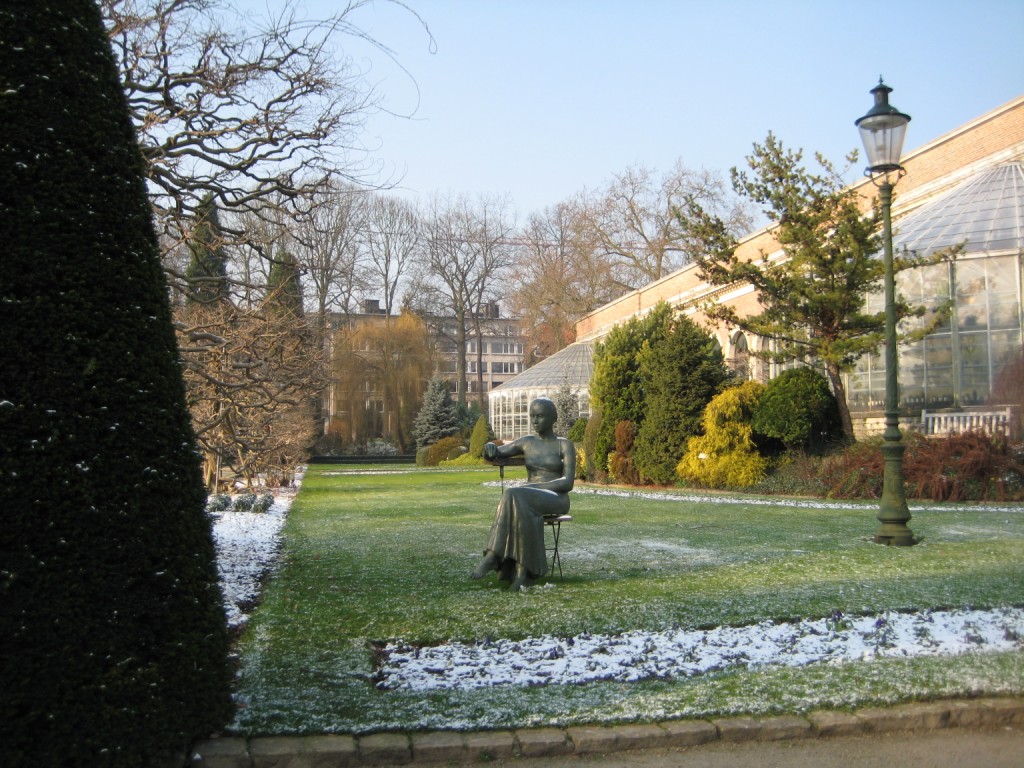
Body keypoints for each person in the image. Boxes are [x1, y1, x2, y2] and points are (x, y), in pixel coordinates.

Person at [472, 397, 576, 590]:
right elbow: (498, 452)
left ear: (553, 418)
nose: (535, 421)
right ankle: (519, 572)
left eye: (540, 416)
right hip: (526, 499)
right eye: (532, 416)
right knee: (513, 495)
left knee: (516, 494)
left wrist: (534, 488)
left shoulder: (564, 445)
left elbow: (567, 482)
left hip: (556, 498)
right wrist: (489, 449)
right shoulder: (527, 442)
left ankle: (495, 555)